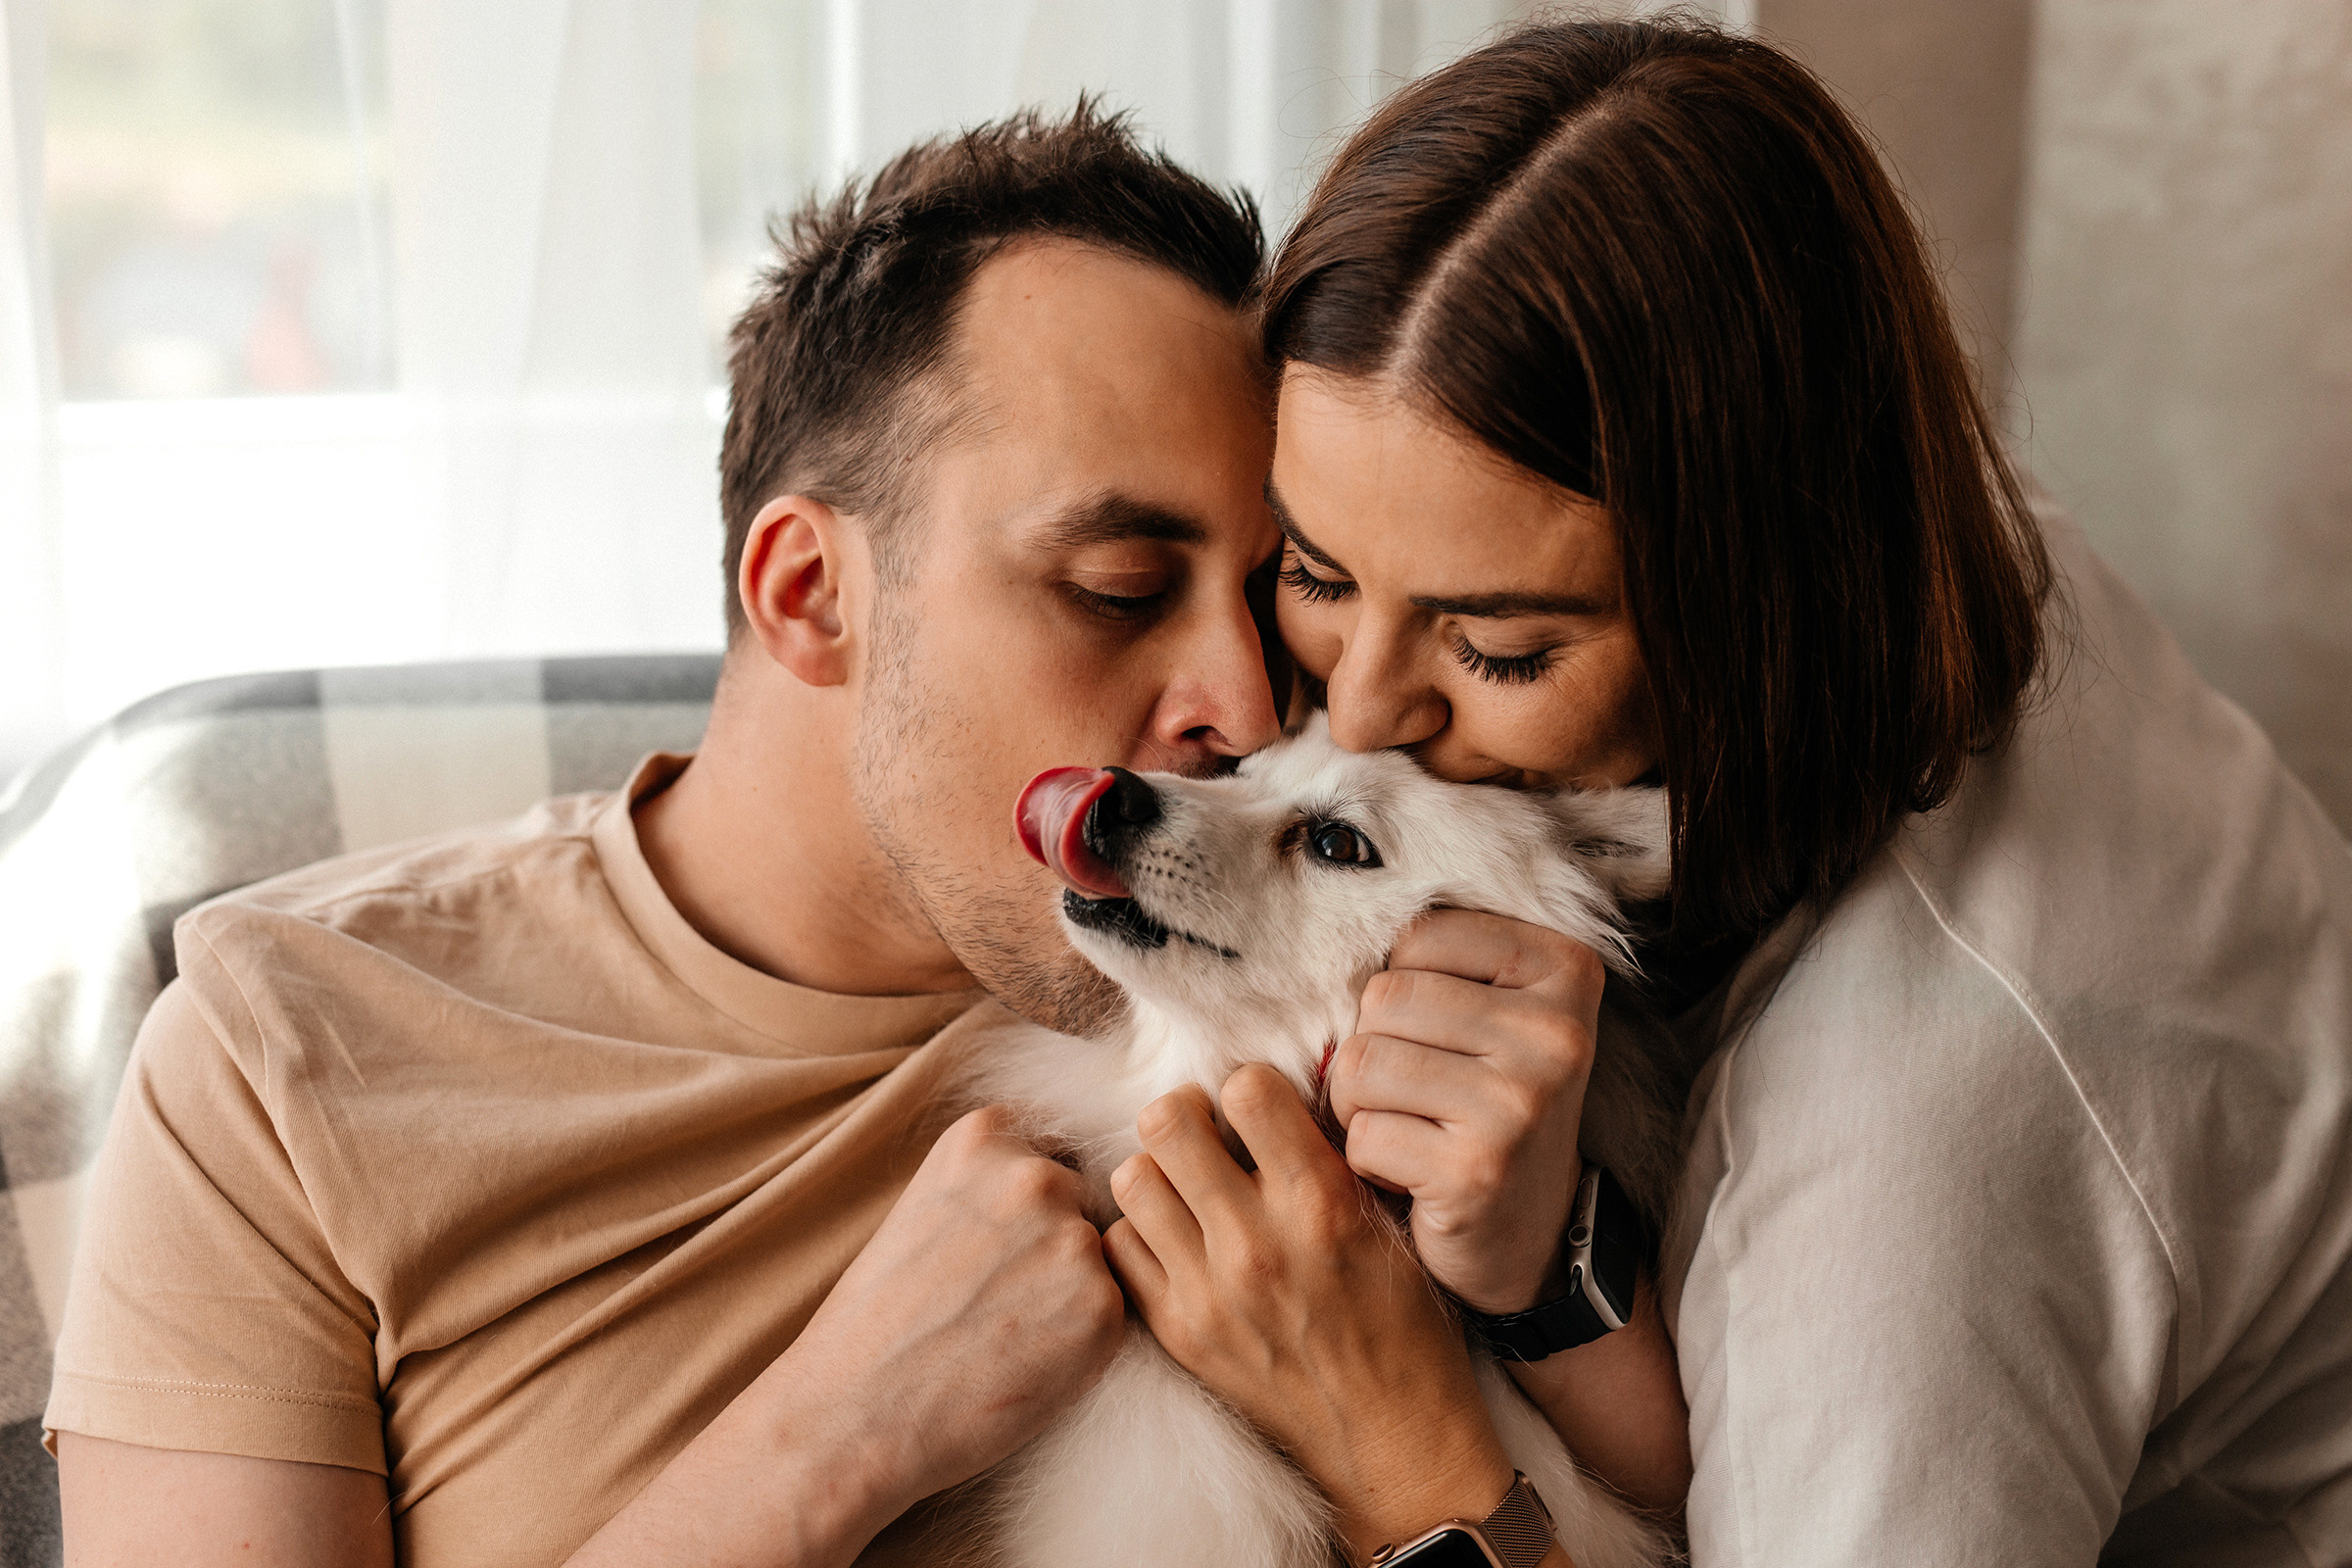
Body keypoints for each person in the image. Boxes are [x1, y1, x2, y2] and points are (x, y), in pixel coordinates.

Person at [48, 106, 1685, 1567]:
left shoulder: (1339, 972)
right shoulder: (285, 1056)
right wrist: (829, 1444)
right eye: (1117, 589)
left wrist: (1477, 1384)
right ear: (809, 592)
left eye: (1275, 595)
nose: (1249, 709)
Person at [1137, 17, 2348, 1566]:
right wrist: (1560, 1270)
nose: (1356, 708)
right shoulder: (1909, 492)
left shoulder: (1895, 1201)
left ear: (1754, 613)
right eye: (1313, 566)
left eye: (1498, 645)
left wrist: (1409, 1466)